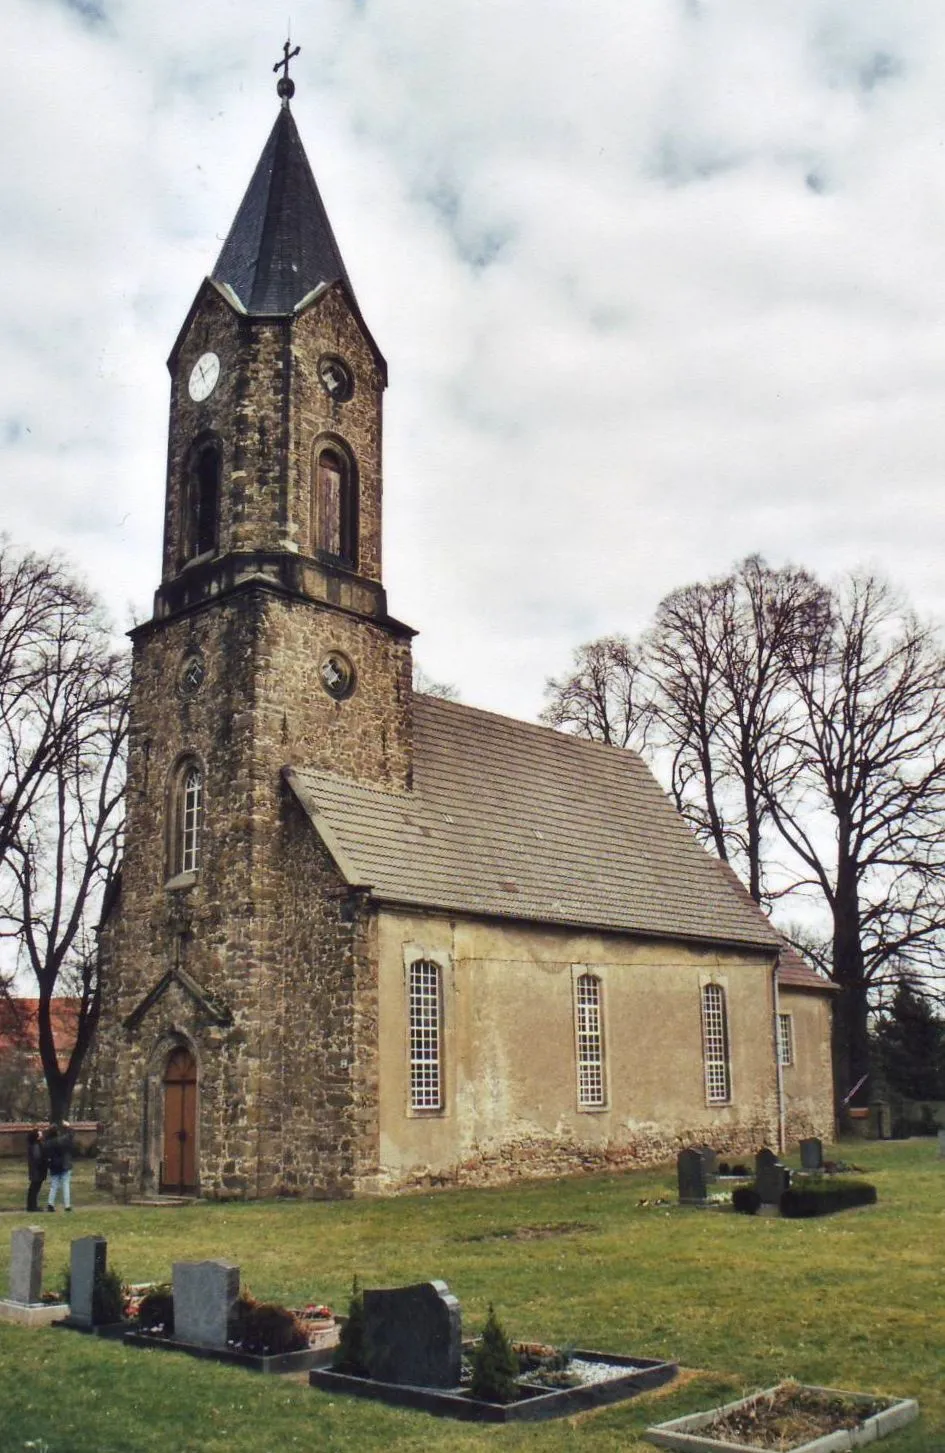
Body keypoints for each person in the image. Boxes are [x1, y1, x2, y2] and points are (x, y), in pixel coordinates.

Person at [45, 1122, 75, 1212]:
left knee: (54, 1185)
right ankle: (67, 1205)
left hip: (54, 1165)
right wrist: (68, 1126)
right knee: (65, 1185)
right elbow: (70, 1135)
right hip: (64, 1164)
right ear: (57, 1132)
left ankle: (50, 1204)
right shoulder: (62, 1140)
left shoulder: (48, 1142)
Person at [26, 1128, 47, 1213]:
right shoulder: (36, 1146)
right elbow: (37, 1158)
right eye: (40, 1133)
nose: (42, 1134)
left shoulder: (34, 1145)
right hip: (37, 1171)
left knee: (33, 1189)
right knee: (35, 1189)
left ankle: (31, 1205)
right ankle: (32, 1206)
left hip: (35, 1170)